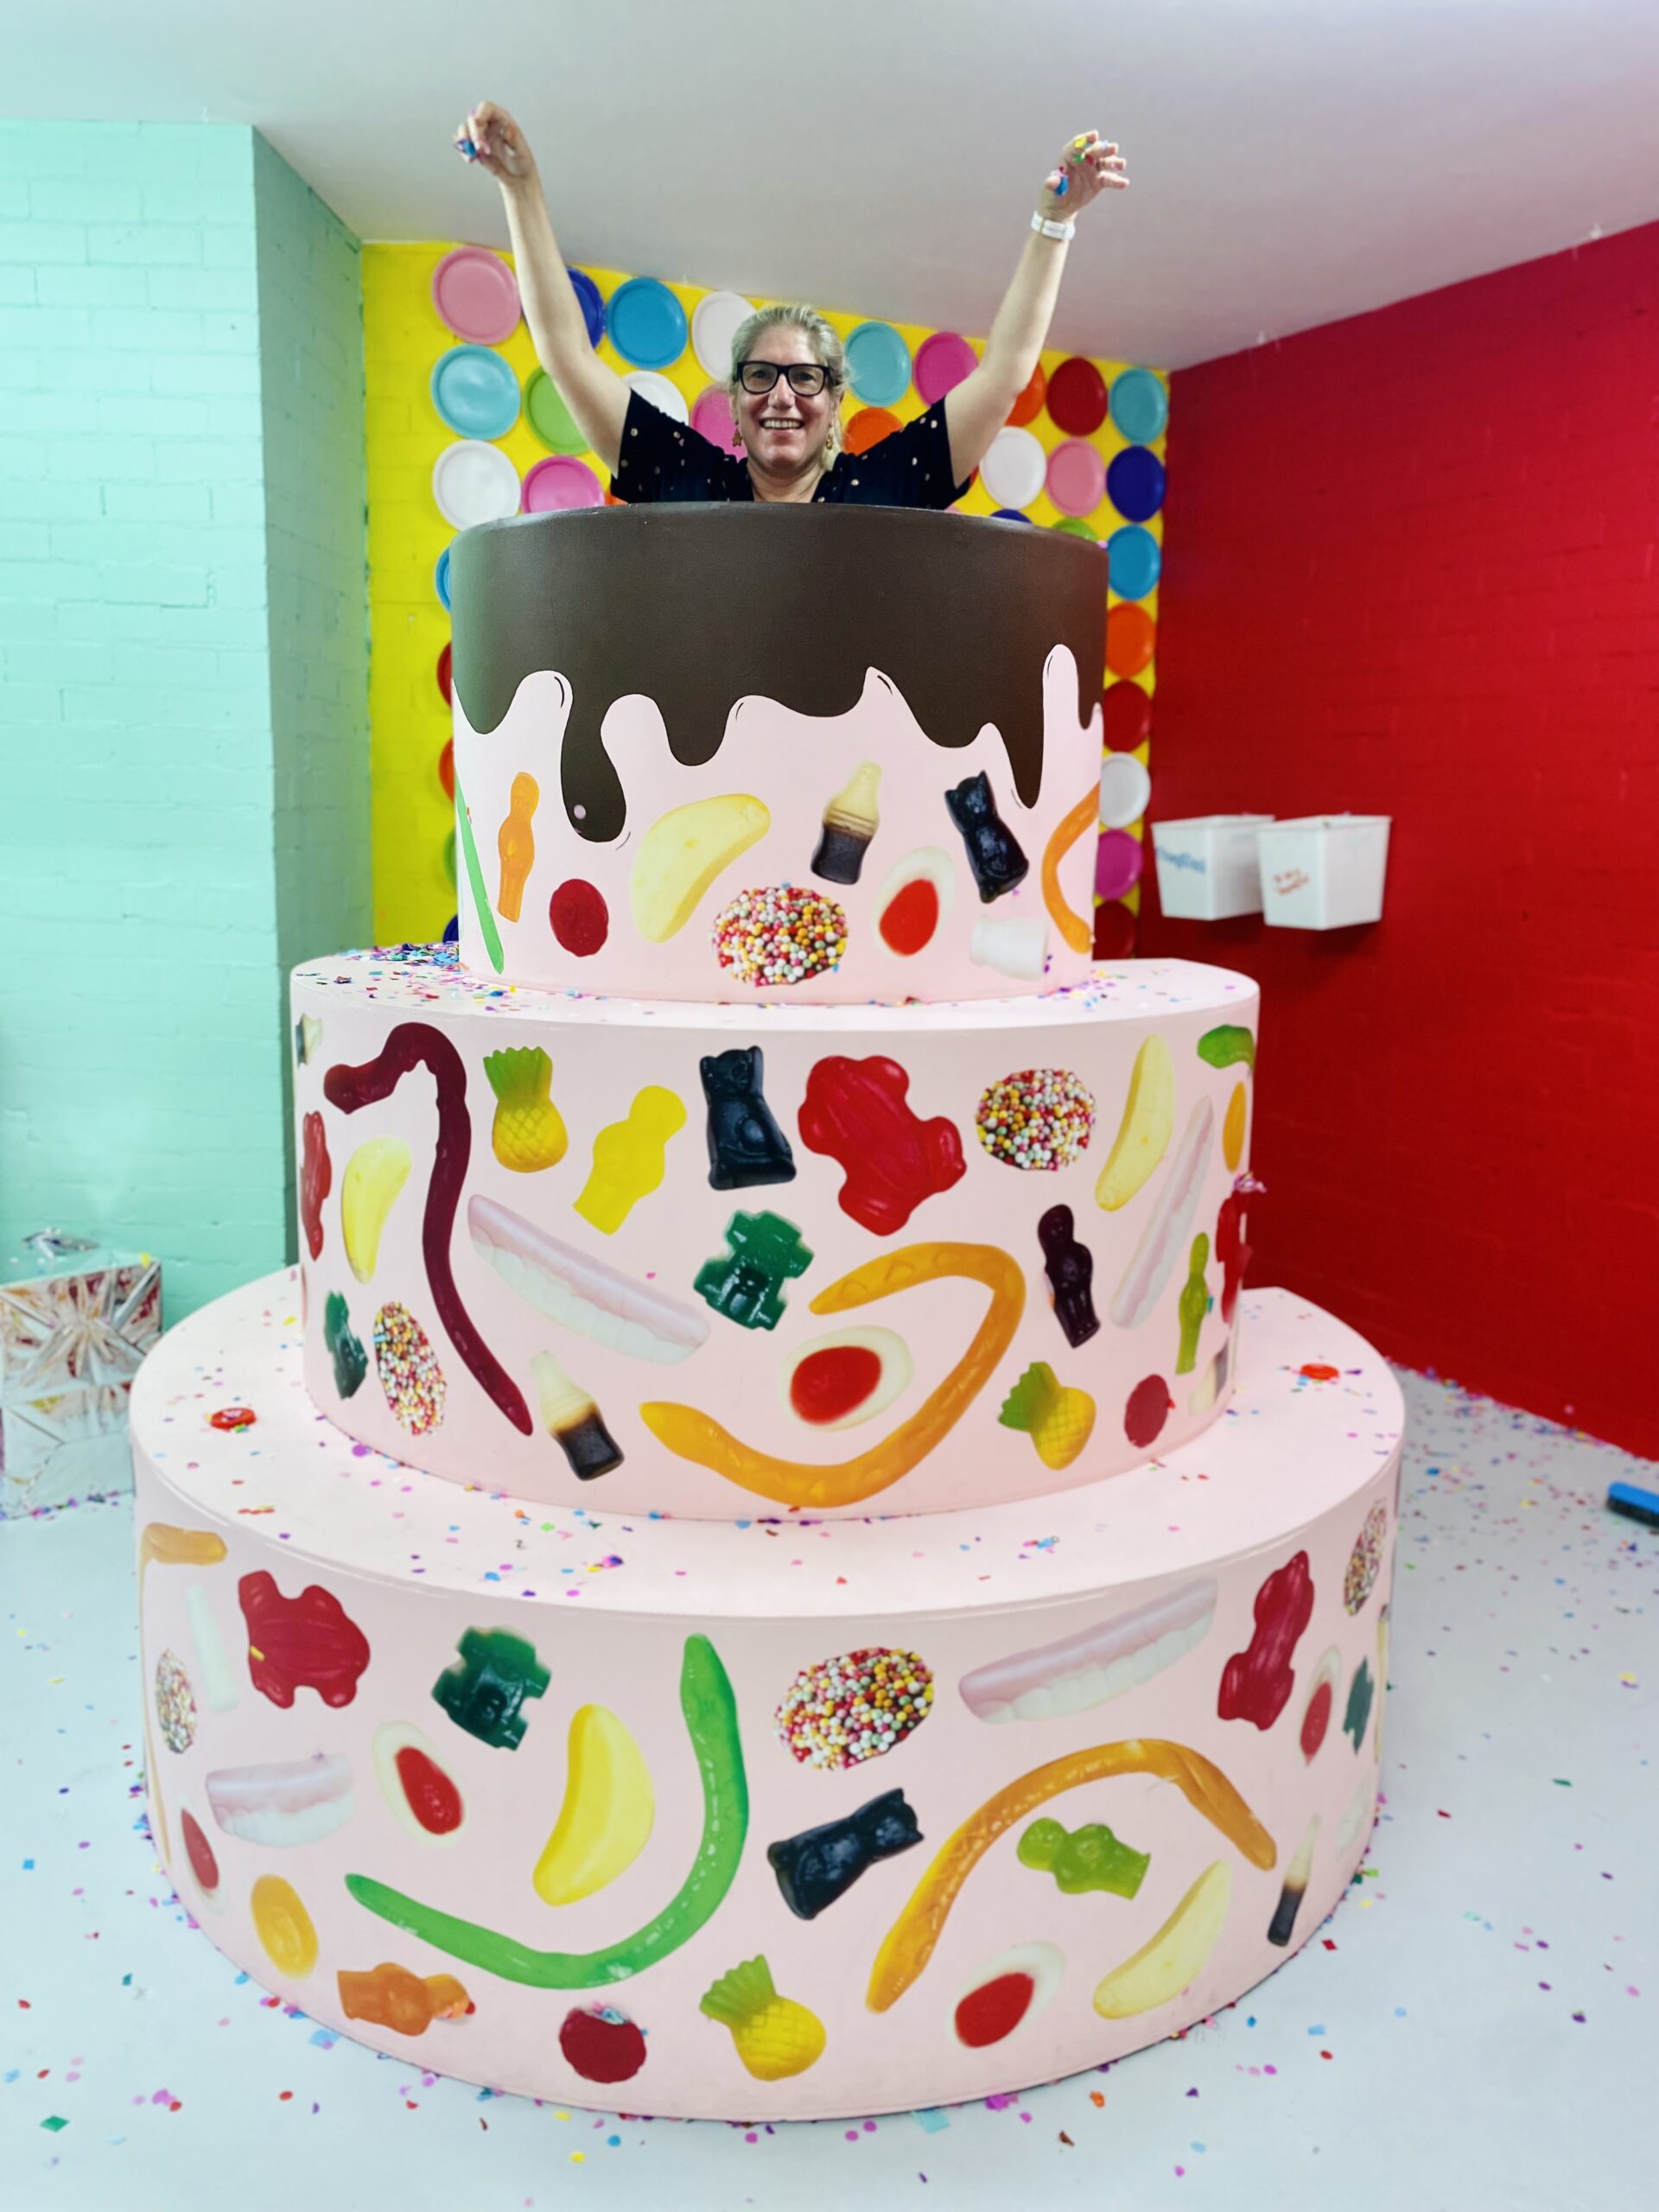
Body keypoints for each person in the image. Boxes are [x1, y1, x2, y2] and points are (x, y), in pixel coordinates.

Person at [454, 102, 1128, 508]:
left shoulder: (883, 489)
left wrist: (1053, 221)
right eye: (761, 375)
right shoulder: (690, 482)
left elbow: (1005, 372)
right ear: (736, 404)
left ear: (834, 402)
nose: (782, 395)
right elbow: (567, 358)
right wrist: (522, 190)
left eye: (804, 377)